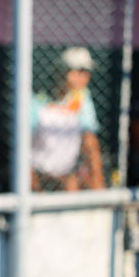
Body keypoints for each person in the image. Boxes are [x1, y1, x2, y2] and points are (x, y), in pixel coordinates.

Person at [30, 47, 105, 191]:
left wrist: (98, 181)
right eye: (78, 71)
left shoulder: (82, 97)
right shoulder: (37, 100)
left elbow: (90, 141)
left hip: (68, 173)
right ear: (61, 71)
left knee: (74, 184)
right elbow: (25, 143)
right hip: (38, 172)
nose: (83, 77)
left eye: (86, 72)